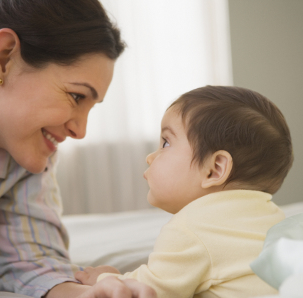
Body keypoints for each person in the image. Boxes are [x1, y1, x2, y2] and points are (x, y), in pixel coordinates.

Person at [0, 0, 157, 298]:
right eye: (77, 96)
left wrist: (84, 295)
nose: (80, 131)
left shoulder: (24, 151)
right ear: (4, 58)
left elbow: (32, 259)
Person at [75, 85, 294, 298]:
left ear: (215, 169)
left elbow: (152, 291)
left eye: (166, 143)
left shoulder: (191, 227)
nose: (150, 157)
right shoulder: (274, 218)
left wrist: (105, 279)